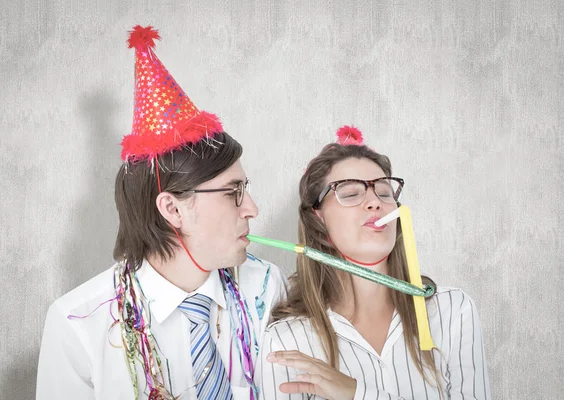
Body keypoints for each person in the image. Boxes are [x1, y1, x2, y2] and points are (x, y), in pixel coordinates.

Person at [36, 25, 287, 400]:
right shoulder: (78, 323)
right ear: (172, 208)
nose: (252, 208)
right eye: (234, 192)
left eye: (246, 189)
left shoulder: (265, 286)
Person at [255, 126, 490, 399]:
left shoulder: (452, 312)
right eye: (351, 193)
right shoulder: (286, 342)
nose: (374, 202)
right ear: (317, 220)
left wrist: (355, 393)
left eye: (383, 191)